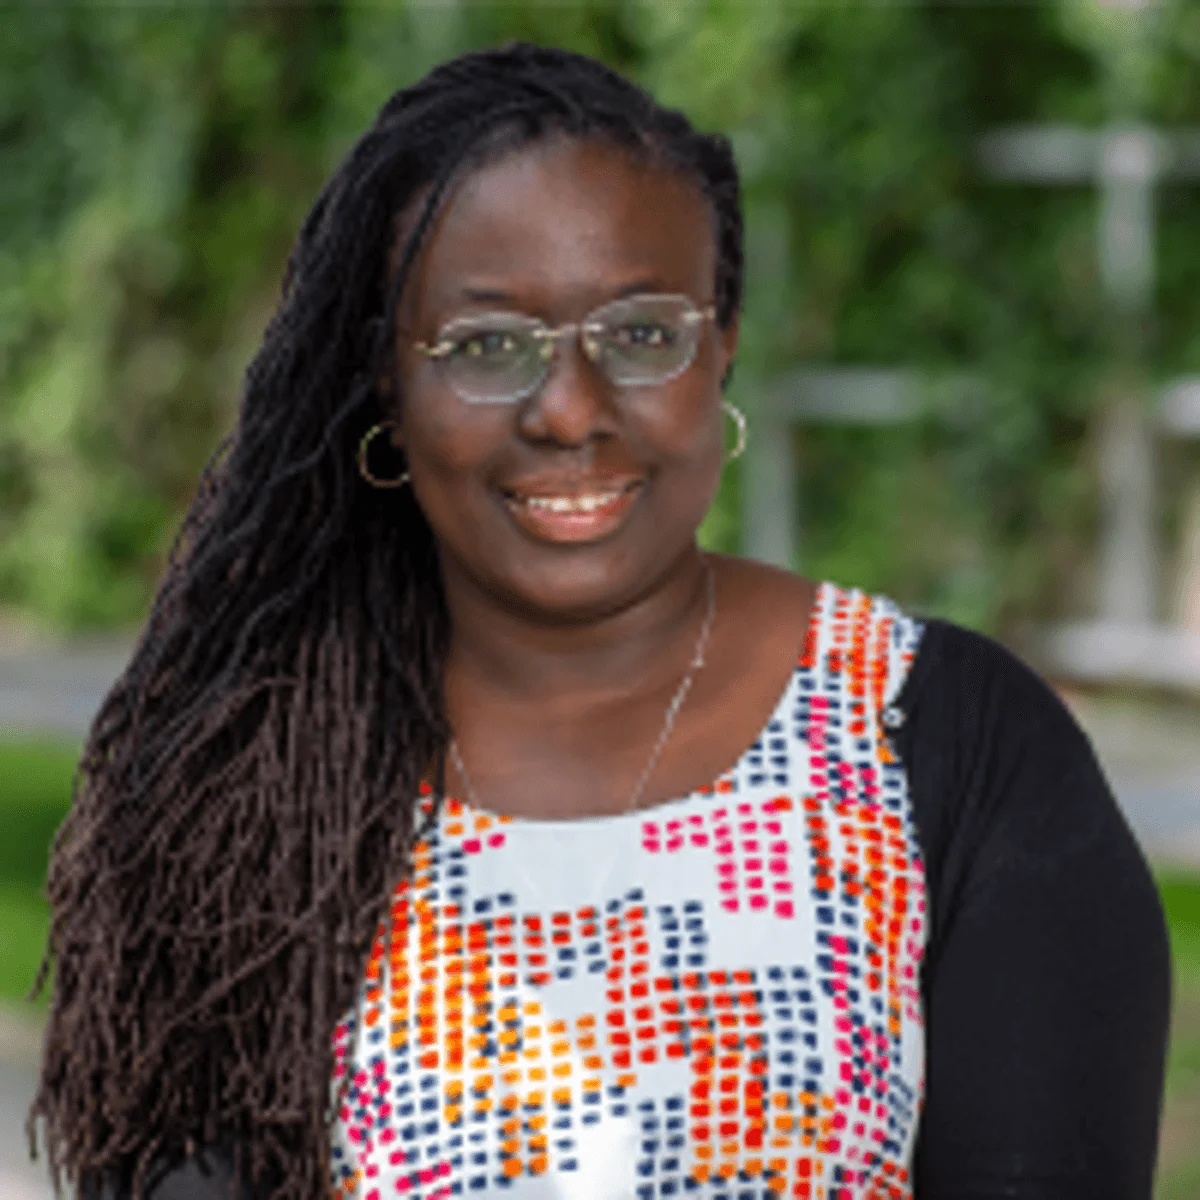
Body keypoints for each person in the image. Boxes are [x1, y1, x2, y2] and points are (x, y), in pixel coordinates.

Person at [28, 41, 1170, 1200]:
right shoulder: (256, 795)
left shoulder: (945, 744)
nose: (570, 412)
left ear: (720, 345)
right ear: (386, 380)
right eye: (486, 348)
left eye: (640, 334)